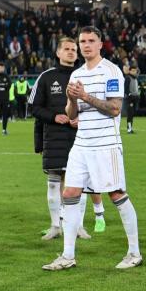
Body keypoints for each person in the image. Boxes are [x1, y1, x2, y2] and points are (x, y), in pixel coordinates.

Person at [42, 26, 141, 271]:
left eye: (91, 41)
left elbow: (115, 109)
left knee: (116, 195)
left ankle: (134, 252)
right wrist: (73, 99)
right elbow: (71, 113)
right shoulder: (76, 74)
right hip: (81, 144)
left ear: (100, 44)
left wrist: (85, 96)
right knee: (70, 194)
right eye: (82, 41)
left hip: (105, 145)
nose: (86, 45)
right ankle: (67, 255)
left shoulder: (111, 71)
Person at [28, 37, 105, 241]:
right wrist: (54, 117)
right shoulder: (46, 77)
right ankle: (55, 226)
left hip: (82, 136)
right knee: (54, 184)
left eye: (74, 49)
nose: (71, 52)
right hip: (54, 138)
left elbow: (98, 104)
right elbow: (33, 107)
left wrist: (81, 118)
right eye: (67, 49)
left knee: (78, 184)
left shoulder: (86, 75)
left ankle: (78, 226)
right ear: (58, 53)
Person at [124, 59, 139, 134]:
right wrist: (129, 95)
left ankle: (130, 128)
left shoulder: (135, 78)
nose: (134, 72)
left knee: (132, 114)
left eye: (135, 70)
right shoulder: (128, 78)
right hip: (130, 98)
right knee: (130, 114)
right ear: (129, 71)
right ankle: (129, 129)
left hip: (135, 98)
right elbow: (125, 88)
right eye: (132, 70)